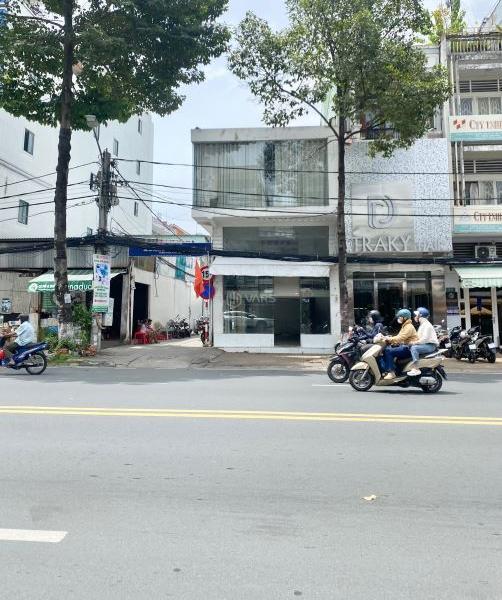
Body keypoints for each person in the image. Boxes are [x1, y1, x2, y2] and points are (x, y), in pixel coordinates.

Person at [382, 309, 419, 380]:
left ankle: (391, 372)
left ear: (405, 318)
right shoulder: (405, 326)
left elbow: (401, 338)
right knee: (390, 350)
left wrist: (389, 339)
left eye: (400, 317)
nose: (399, 319)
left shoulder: (408, 327)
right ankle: (397, 372)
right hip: (407, 346)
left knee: (388, 351)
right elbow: (399, 337)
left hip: (409, 348)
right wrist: (391, 339)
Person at [406, 307, 439, 377]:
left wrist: (414, 343)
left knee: (414, 348)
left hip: (430, 345)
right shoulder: (423, 324)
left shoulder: (426, 325)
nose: (415, 317)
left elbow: (424, 339)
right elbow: (418, 337)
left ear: (420, 316)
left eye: (416, 315)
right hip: (426, 344)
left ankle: (416, 368)